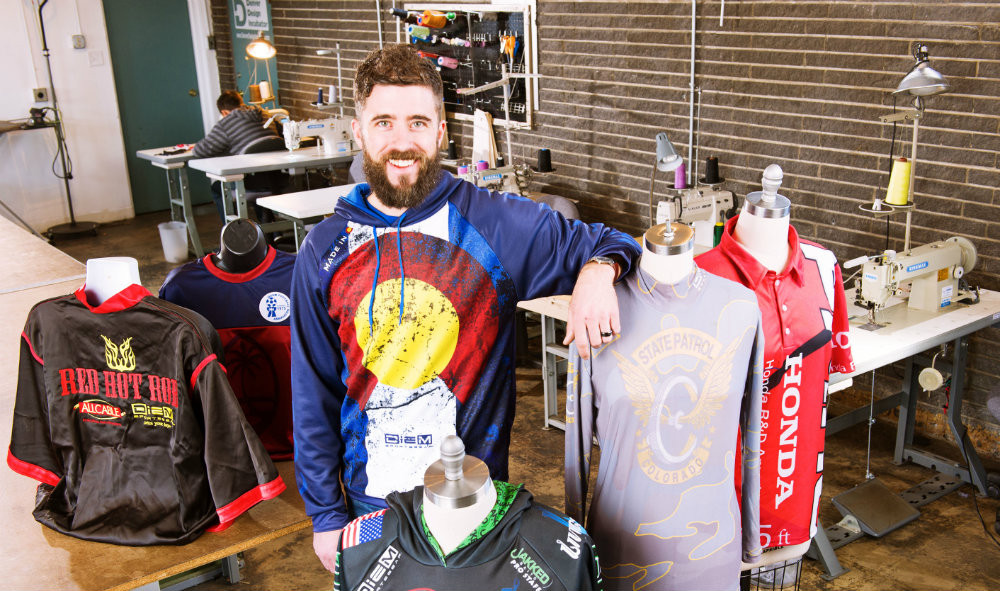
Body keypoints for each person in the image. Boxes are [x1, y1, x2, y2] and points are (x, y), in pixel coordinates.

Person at [290, 44, 641, 572]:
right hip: (370, 505)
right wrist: (324, 515)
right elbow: (313, 391)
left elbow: (612, 240)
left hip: (473, 505)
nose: (401, 141)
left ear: (440, 132)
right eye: (384, 122)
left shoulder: (495, 225)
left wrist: (597, 271)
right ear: (359, 131)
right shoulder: (325, 250)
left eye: (417, 122)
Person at [192, 90, 282, 220]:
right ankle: (269, 227)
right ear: (241, 103)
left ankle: (232, 229)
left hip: (250, 186)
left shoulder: (226, 123)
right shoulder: (264, 114)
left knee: (217, 188)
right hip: (279, 182)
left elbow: (200, 151)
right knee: (257, 172)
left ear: (224, 113)